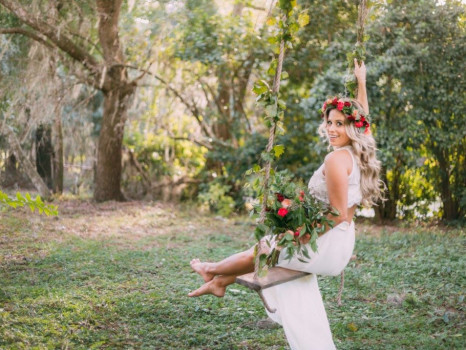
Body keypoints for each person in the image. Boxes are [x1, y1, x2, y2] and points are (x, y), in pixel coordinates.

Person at [188, 59, 384, 350]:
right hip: (341, 241)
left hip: (328, 242)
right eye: (329, 122)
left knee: (267, 247)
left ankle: (213, 269)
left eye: (339, 124)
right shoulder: (357, 150)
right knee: (269, 244)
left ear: (351, 127)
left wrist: (304, 234)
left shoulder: (335, 160)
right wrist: (362, 82)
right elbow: (363, 117)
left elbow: (339, 214)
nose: (331, 128)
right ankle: (218, 279)